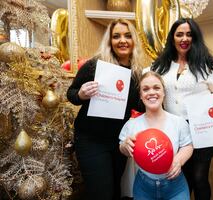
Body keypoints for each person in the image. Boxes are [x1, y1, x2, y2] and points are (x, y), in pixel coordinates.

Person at [150, 18, 213, 200]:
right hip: (173, 129)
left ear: (195, 38)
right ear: (172, 38)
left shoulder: (205, 65)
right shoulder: (161, 65)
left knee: (199, 177)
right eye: (179, 34)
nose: (184, 38)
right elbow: (147, 82)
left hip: (202, 129)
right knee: (181, 176)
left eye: (189, 34)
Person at [67, 19, 147, 200]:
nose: (122, 40)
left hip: (119, 142)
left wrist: (154, 95)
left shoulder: (137, 74)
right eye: (116, 36)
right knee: (101, 193)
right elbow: (71, 94)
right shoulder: (95, 65)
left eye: (128, 36)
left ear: (134, 40)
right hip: (90, 139)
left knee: (115, 189)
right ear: (109, 41)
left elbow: (140, 107)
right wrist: (80, 94)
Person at [119, 71, 193, 200]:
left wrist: (179, 160)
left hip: (176, 187)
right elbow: (122, 148)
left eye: (157, 88)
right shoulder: (132, 125)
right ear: (141, 96)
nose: (152, 92)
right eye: (146, 89)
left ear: (164, 93)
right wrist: (125, 146)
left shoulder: (178, 122)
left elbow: (188, 145)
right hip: (143, 187)